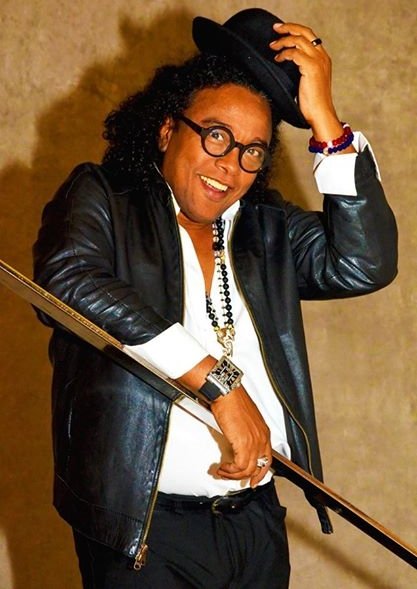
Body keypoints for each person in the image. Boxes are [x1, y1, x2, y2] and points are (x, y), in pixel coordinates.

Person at [33, 8, 397, 589]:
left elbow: (364, 263)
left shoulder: (267, 229)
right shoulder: (103, 198)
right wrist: (219, 385)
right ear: (167, 130)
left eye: (253, 150)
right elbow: (69, 279)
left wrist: (326, 123)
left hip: (255, 524)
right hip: (146, 532)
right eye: (217, 136)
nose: (230, 165)